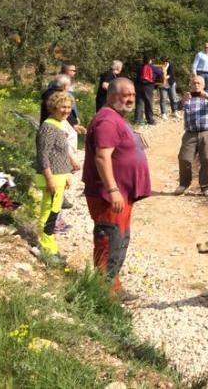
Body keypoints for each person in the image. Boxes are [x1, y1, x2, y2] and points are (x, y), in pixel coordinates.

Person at [82, 78, 151, 295]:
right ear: (112, 96)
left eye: (132, 95)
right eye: (126, 95)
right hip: (109, 196)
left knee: (118, 239)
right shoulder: (107, 121)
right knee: (110, 239)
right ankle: (103, 292)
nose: (131, 99)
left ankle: (113, 286)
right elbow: (102, 157)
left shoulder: (115, 117)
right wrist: (112, 190)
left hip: (120, 194)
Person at [34, 91, 79, 261]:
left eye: (69, 107)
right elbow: (43, 155)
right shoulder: (48, 127)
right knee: (49, 214)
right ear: (54, 107)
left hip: (59, 176)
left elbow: (60, 151)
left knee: (54, 212)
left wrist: (69, 166)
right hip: (50, 178)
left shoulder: (59, 124)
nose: (66, 110)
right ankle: (47, 250)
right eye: (63, 107)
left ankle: (51, 247)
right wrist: (50, 178)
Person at [174, 75, 208, 196]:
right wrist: (183, 101)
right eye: (194, 83)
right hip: (190, 133)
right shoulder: (187, 96)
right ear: (190, 85)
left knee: (207, 159)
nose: (196, 86)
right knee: (184, 158)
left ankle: (206, 186)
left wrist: (207, 96)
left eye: (199, 83)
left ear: (204, 84)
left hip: (207, 132)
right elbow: (176, 108)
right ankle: (184, 184)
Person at [133, 56, 157, 127]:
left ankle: (137, 120)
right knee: (148, 103)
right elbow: (161, 73)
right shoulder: (153, 67)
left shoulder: (139, 67)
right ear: (150, 60)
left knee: (139, 103)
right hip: (148, 87)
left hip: (139, 86)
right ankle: (150, 120)